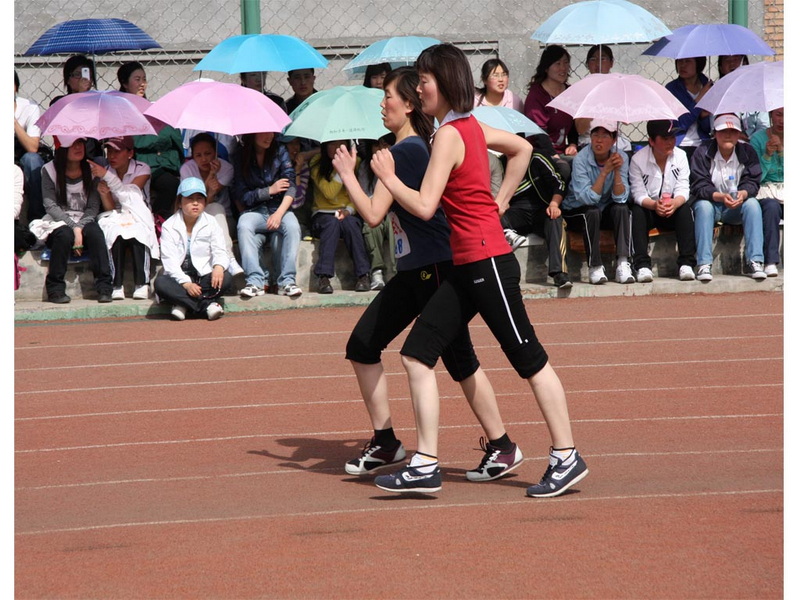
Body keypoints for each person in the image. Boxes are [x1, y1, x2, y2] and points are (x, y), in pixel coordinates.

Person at [370, 43, 588, 497]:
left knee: (529, 359)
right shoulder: (465, 126)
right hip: (467, 264)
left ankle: (566, 456)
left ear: (443, 83)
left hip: (487, 263)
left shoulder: (451, 134)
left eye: (425, 81)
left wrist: (390, 180)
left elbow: (426, 207)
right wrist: (499, 198)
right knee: (416, 354)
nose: (420, 88)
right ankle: (426, 464)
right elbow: (521, 148)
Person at [332, 66, 524, 481]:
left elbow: (372, 214)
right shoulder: (400, 150)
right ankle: (387, 442)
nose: (382, 103)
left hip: (436, 268)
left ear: (409, 105)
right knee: (363, 345)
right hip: (413, 270)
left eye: (388, 97)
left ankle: (500, 446)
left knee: (458, 361)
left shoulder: (411, 151)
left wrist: (349, 175)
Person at [28, 136, 113, 303]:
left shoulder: (92, 169)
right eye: (72, 144)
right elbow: (50, 205)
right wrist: (74, 228)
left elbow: (93, 207)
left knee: (95, 233)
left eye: (80, 143)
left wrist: (79, 227)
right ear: (62, 148)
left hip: (85, 220)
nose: (78, 147)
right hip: (58, 221)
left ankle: (104, 287)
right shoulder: (49, 170)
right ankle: (55, 289)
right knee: (64, 235)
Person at [690, 113, 765, 282]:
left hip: (737, 205)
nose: (728, 135)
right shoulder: (702, 152)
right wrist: (719, 197)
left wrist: (743, 194)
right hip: (713, 205)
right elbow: (698, 184)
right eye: (723, 130)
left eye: (733, 131)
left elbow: (753, 181)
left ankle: (755, 261)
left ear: (739, 134)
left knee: (752, 204)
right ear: (714, 133)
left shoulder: (747, 151)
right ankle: (703, 263)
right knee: (703, 206)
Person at [231, 132, 302, 298]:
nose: (269, 136)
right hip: (255, 211)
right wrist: (268, 191)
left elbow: (291, 186)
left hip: (280, 208)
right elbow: (242, 195)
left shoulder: (280, 150)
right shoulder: (240, 155)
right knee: (244, 224)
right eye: (264, 132)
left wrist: (278, 214)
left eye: (271, 132)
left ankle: (287, 281)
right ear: (252, 134)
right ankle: (255, 281)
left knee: (293, 227)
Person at [562, 119, 633, 285]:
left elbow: (621, 197)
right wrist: (605, 171)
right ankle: (595, 266)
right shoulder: (581, 159)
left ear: (614, 140)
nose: (598, 140)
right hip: (577, 210)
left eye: (604, 136)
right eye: (595, 135)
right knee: (591, 212)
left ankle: (623, 263)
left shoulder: (621, 157)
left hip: (604, 207)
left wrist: (615, 171)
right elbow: (588, 198)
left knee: (621, 208)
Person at [90, 136, 159, 300]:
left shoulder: (143, 169)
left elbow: (129, 196)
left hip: (138, 213)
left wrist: (107, 176)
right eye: (109, 151)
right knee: (115, 232)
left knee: (138, 232)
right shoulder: (105, 170)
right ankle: (117, 284)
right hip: (116, 215)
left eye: (117, 151)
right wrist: (104, 194)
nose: (112, 156)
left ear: (130, 153)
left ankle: (142, 284)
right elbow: (111, 209)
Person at [154, 177, 232, 321]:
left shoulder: (211, 222)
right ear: (179, 202)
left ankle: (183, 304)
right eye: (190, 199)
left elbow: (220, 250)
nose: (195, 203)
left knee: (226, 277)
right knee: (160, 283)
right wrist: (187, 284)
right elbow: (169, 262)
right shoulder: (169, 226)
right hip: (180, 281)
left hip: (204, 278)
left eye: (199, 198)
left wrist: (219, 267)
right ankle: (206, 306)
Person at [499, 139, 572, 289]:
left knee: (555, 219)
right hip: (515, 212)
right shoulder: (501, 163)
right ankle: (502, 275)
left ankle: (559, 273)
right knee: (494, 218)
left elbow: (559, 182)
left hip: (542, 209)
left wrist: (554, 204)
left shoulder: (537, 158)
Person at [628, 120, 696, 282]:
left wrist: (675, 203)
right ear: (651, 141)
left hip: (672, 208)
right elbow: (637, 193)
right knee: (636, 212)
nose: (670, 142)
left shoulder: (680, 156)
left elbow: (683, 188)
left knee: (685, 210)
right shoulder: (638, 159)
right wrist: (653, 205)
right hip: (650, 209)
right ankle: (642, 265)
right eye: (665, 138)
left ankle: (687, 263)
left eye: (672, 137)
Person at [118, 61, 184, 221]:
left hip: (164, 165)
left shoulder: (153, 109)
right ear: (125, 83)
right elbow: (133, 142)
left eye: (144, 79)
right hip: (136, 165)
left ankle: (159, 220)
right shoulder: (119, 110)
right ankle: (155, 219)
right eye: (137, 79)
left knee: (174, 183)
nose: (142, 84)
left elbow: (172, 137)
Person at [308, 140, 371, 293]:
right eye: (331, 144)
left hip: (348, 212)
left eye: (340, 144)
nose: (336, 148)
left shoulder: (356, 162)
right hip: (323, 214)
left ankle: (363, 275)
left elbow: (361, 193)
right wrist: (342, 170)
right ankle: (323, 277)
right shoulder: (316, 163)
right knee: (331, 224)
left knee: (351, 224)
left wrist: (349, 210)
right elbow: (329, 192)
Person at [180, 132, 243, 275]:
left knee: (216, 208)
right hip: (194, 216)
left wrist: (214, 175)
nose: (203, 159)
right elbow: (198, 201)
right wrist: (210, 175)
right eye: (198, 155)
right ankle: (229, 258)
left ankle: (228, 259)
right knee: (213, 206)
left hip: (223, 219)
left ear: (215, 153)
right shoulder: (187, 169)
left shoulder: (226, 168)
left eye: (208, 153)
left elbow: (210, 197)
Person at [524, 45, 578, 158]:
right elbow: (538, 133)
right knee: (564, 169)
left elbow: (573, 125)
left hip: (563, 151)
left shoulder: (570, 92)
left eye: (566, 63)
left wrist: (573, 144)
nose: (563, 68)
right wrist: (553, 155)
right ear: (546, 68)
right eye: (558, 64)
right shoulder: (537, 95)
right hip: (540, 152)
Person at [357, 136, 396, 290]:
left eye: (384, 145)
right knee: (372, 224)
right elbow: (365, 195)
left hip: (394, 211)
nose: (380, 149)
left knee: (395, 224)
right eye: (376, 145)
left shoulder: (398, 163)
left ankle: (395, 272)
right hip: (374, 210)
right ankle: (377, 272)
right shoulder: (365, 168)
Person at [748, 107, 783, 277]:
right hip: (766, 189)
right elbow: (756, 177)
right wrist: (768, 156)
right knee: (771, 208)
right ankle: (770, 261)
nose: (782, 120)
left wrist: (782, 152)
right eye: (778, 115)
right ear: (771, 116)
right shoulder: (757, 139)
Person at [15, 70, 47, 222]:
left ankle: (37, 218)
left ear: (15, 87)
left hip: (22, 154)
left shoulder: (29, 107)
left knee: (33, 160)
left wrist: (13, 122)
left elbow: (33, 147)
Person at [665, 57, 713, 159]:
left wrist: (703, 117)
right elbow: (679, 124)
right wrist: (699, 99)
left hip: (703, 144)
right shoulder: (672, 89)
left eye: (687, 61)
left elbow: (709, 128)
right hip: (679, 144)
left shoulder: (708, 86)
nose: (682, 65)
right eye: (680, 61)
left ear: (698, 63)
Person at [716, 55, 769, 141]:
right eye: (727, 60)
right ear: (721, 68)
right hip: (727, 142)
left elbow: (763, 126)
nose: (732, 63)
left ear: (745, 64)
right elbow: (715, 127)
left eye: (736, 59)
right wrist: (736, 136)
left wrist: (750, 140)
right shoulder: (717, 93)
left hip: (755, 144)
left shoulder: (758, 92)